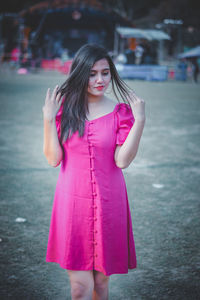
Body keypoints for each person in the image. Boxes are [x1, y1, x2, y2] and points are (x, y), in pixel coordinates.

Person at [43, 44, 146, 300]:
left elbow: (122, 161)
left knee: (101, 284)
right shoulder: (65, 110)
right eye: (91, 74)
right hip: (72, 204)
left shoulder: (120, 112)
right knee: (80, 289)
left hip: (109, 204)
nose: (100, 80)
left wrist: (139, 121)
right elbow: (53, 158)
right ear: (79, 74)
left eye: (105, 72)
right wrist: (47, 118)